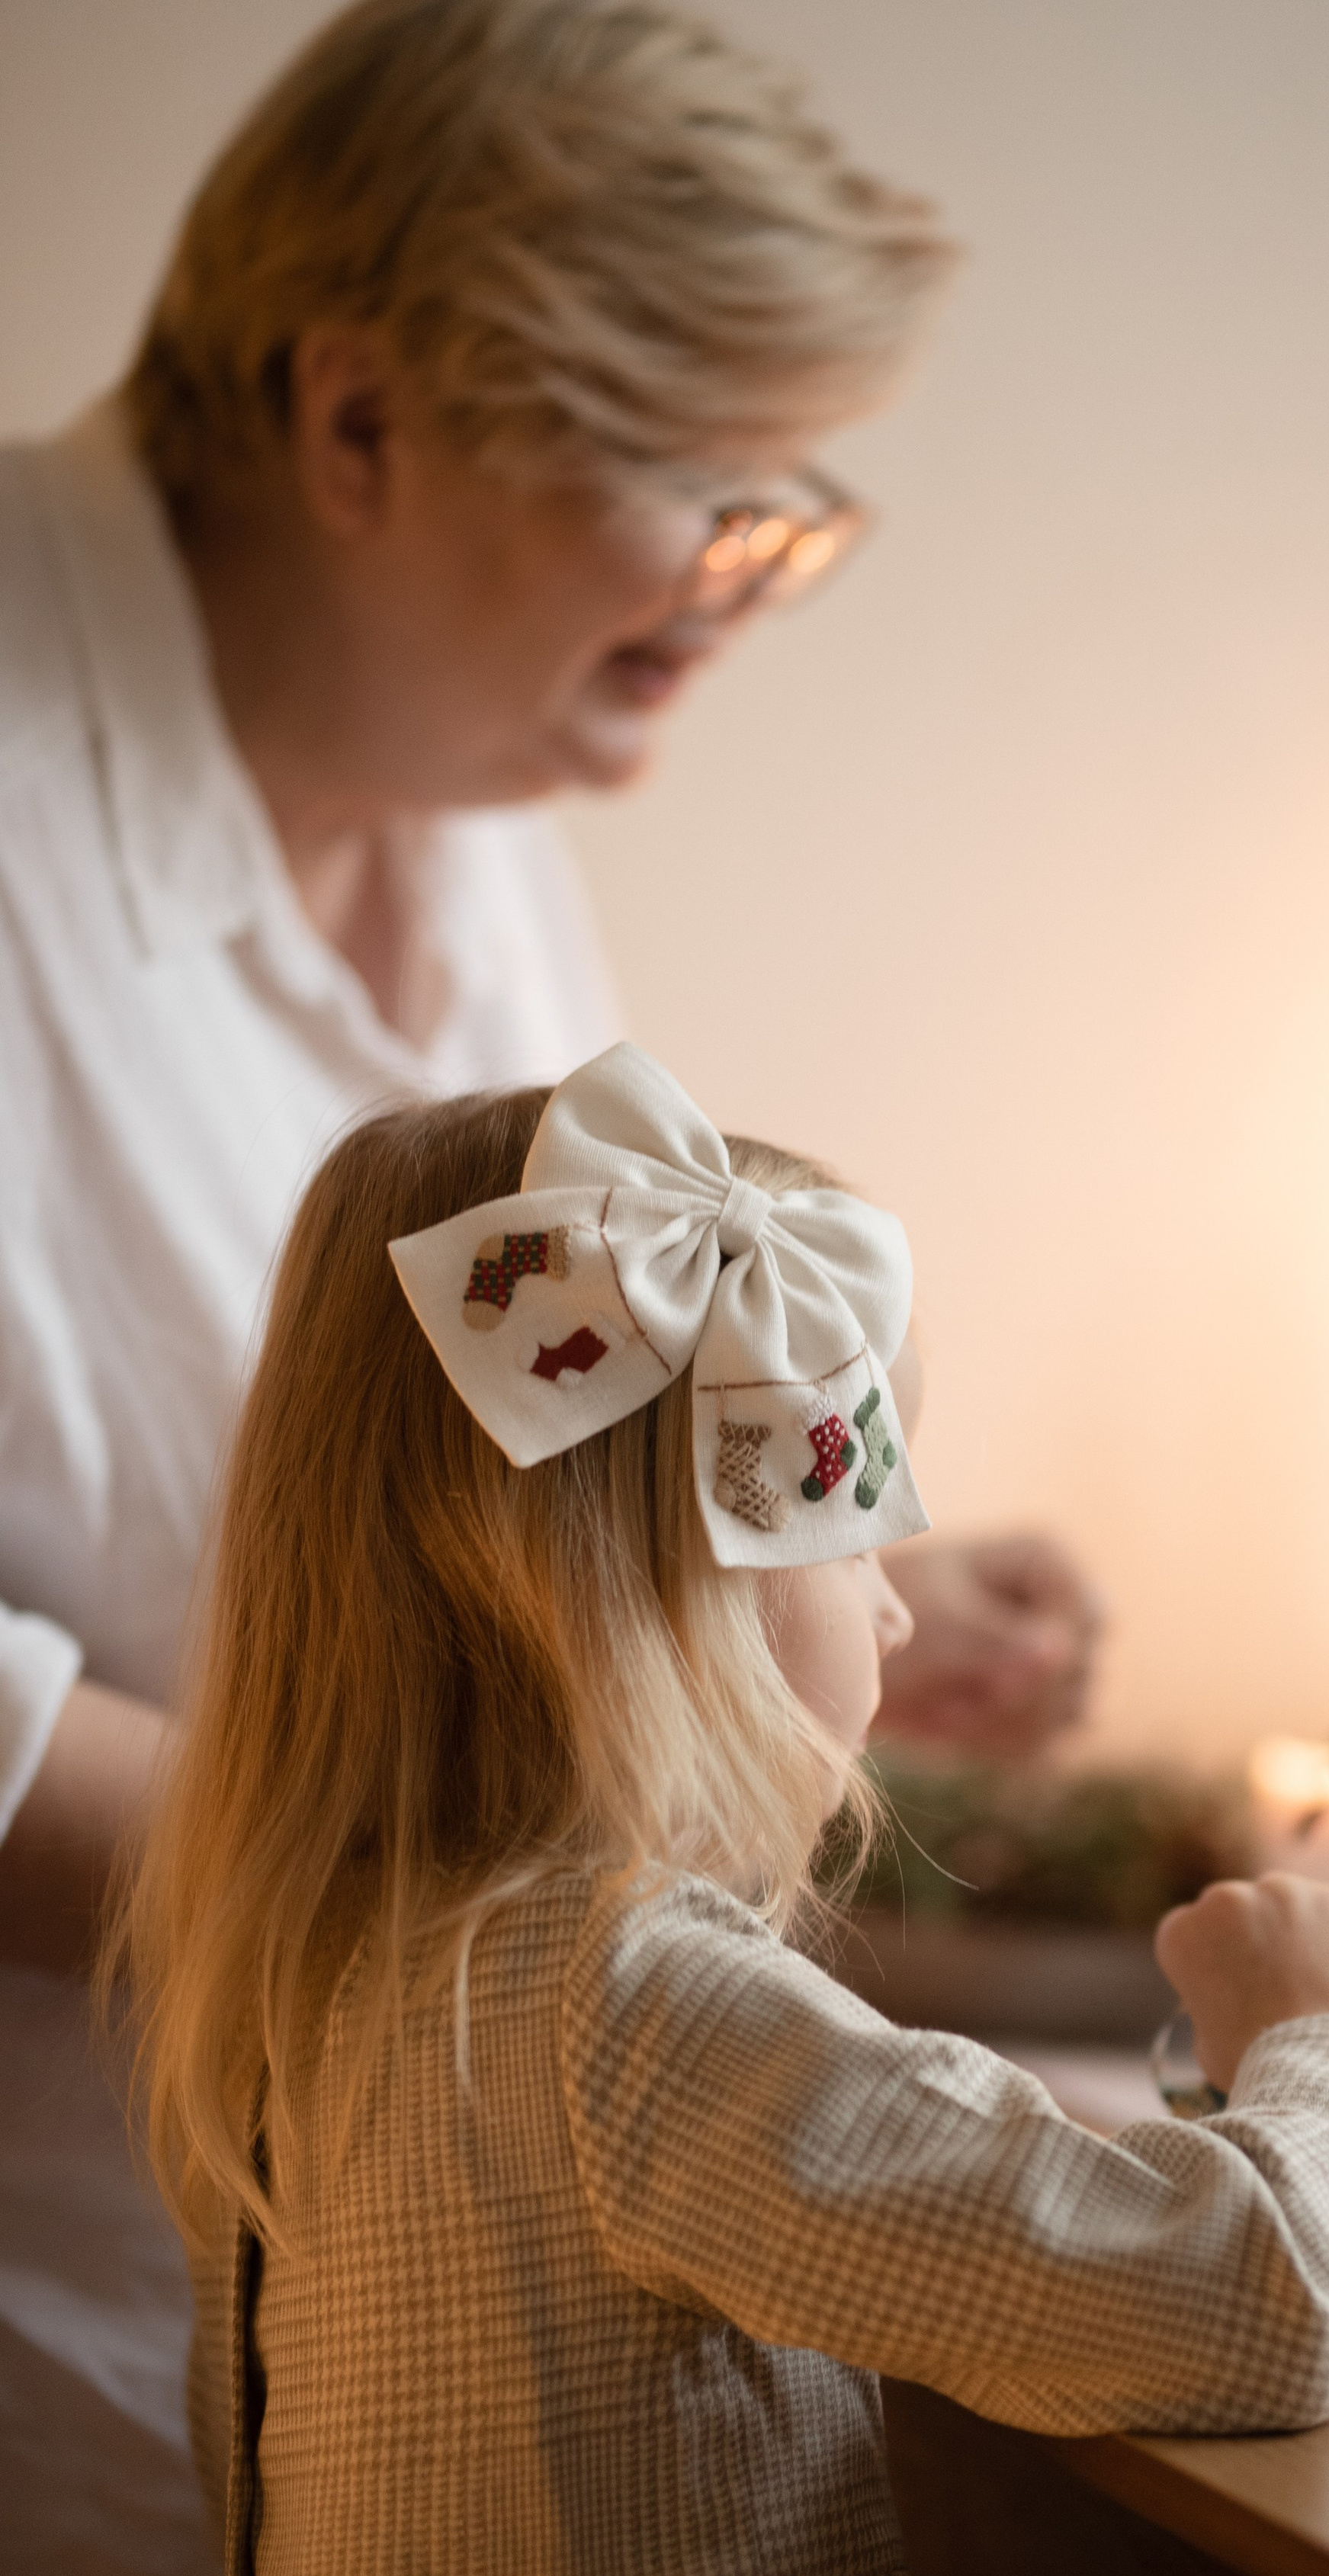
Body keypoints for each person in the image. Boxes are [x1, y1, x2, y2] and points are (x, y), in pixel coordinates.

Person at [116, 1043, 1329, 2576]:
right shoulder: (613, 2004)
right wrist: (1322, 2041)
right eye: (857, 1513)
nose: (889, 1602)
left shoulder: (328, 1993)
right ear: (687, 1584)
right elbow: (1242, 2306)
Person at [0, 0, 1100, 1982]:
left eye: (794, 507)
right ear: (361, 425)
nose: (747, 582)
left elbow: (484, 1431)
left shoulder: (466, 795)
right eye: (708, 494)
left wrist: (792, 1590)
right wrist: (514, 1945)